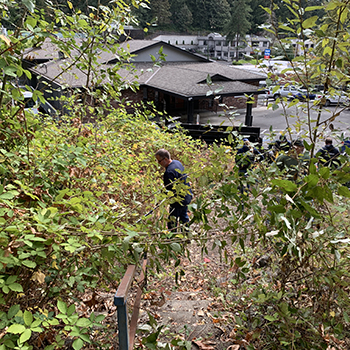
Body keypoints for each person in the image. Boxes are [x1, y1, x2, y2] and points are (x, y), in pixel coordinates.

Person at [155, 149, 192, 230]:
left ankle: (172, 239)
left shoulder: (169, 172)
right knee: (184, 216)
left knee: (172, 220)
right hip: (187, 196)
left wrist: (160, 200)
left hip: (178, 200)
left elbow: (170, 191)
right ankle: (187, 236)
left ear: (165, 159)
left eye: (159, 161)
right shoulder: (177, 162)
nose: (158, 163)